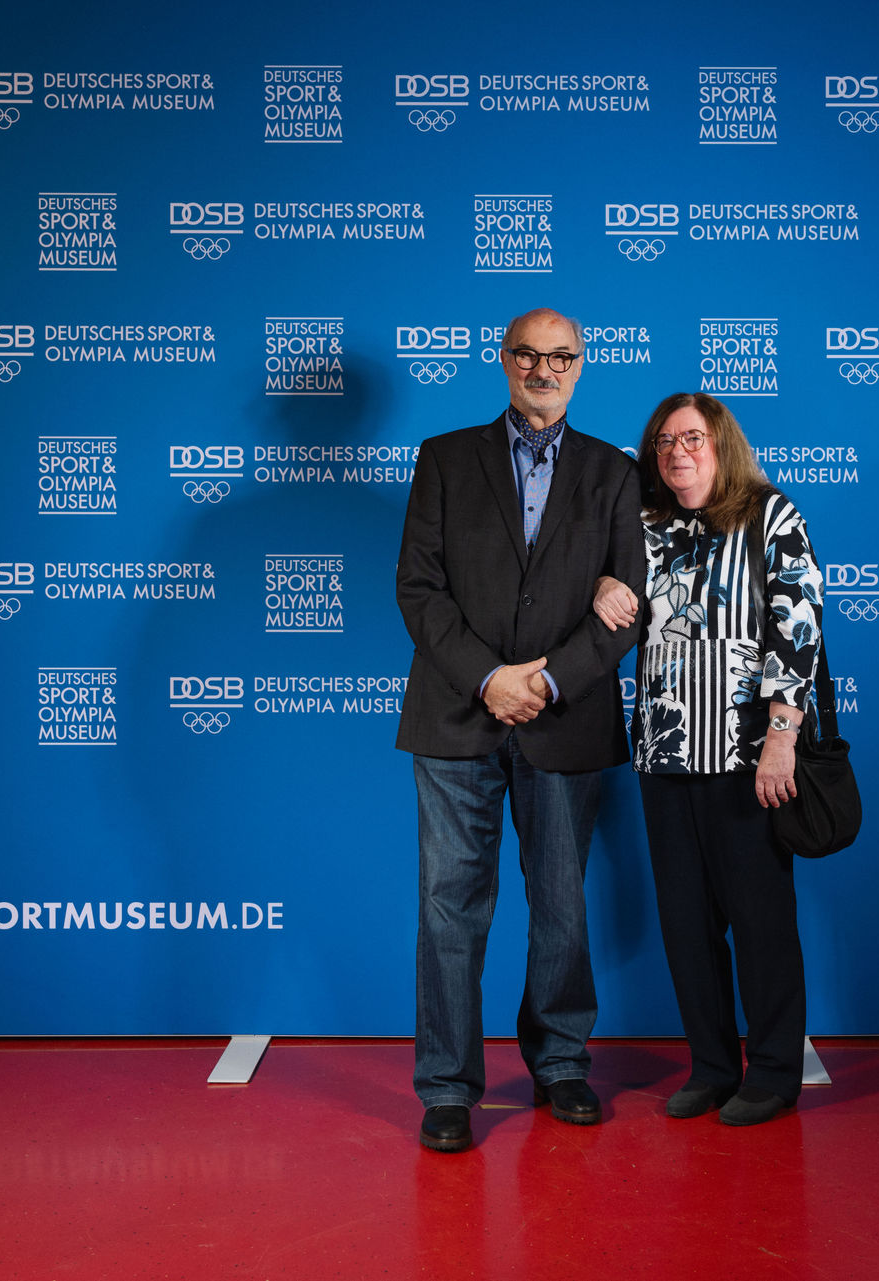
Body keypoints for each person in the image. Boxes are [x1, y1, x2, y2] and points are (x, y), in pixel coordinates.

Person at [395, 307, 646, 1153]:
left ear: (582, 363)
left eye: (561, 356)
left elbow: (625, 607)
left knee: (563, 906)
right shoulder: (443, 458)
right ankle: (447, 1085)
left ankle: (562, 1063)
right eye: (528, 355)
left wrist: (542, 680)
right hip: (456, 715)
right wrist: (490, 678)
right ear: (503, 360)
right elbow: (419, 588)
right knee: (449, 909)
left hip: (565, 717)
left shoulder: (615, 472)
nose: (544, 370)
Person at [592, 392, 824, 1126]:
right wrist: (603, 583)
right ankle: (714, 1066)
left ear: (721, 443)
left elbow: (798, 628)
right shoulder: (646, 526)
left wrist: (781, 738)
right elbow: (612, 598)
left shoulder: (770, 515)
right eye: (664, 442)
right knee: (686, 924)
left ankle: (776, 1070)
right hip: (664, 753)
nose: (677, 452)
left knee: (760, 919)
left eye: (692, 438)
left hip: (746, 756)